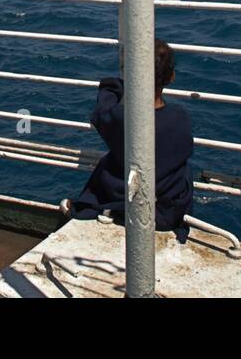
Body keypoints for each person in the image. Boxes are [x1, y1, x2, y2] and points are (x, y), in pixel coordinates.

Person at [65, 38, 194, 239]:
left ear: (132, 77)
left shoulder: (121, 119)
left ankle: (92, 205)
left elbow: (101, 112)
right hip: (168, 211)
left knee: (111, 163)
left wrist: (114, 86)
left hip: (131, 204)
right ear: (171, 77)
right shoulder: (180, 118)